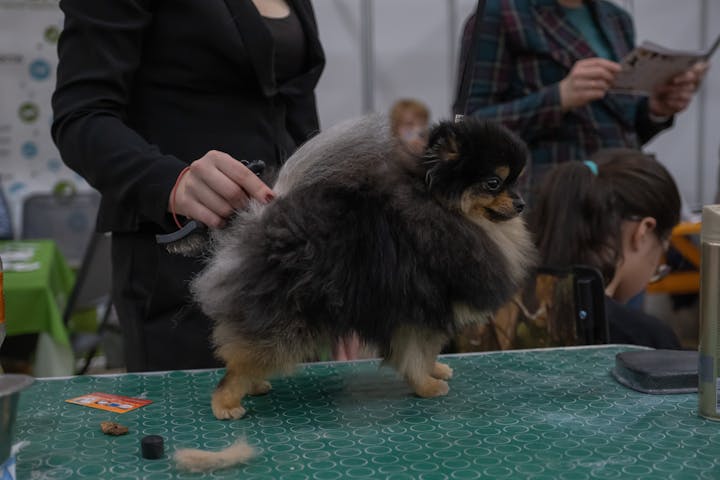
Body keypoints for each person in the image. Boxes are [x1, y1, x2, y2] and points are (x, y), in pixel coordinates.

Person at [51, 0, 325, 371]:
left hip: (289, 264)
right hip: (183, 264)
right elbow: (81, 118)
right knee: (197, 424)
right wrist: (172, 182)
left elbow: (301, 127)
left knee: (298, 423)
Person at [456, 0, 708, 189]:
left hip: (621, 189)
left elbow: (622, 123)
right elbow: (471, 127)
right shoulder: (501, 13)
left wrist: (656, 109)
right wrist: (559, 98)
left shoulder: (616, 19)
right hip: (554, 200)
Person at [529, 148, 682, 349]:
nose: (653, 271)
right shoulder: (645, 340)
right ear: (643, 232)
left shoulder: (505, 310)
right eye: (660, 252)